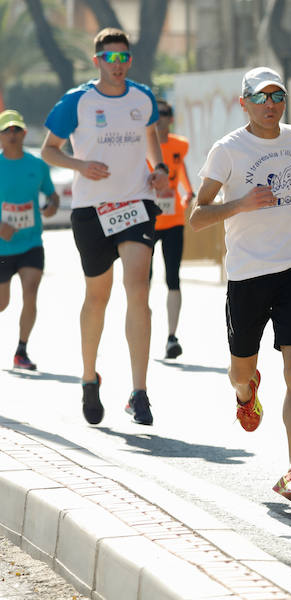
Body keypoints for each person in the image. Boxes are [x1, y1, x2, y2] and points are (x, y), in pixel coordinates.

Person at [190, 67, 291, 508]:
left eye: (277, 96)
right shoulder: (228, 150)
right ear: (244, 103)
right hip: (247, 274)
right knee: (241, 370)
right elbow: (198, 215)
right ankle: (246, 392)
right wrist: (241, 203)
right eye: (261, 98)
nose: (270, 104)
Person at [41, 28, 168, 426]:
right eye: (110, 58)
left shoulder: (142, 97)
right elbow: (48, 149)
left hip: (136, 204)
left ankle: (140, 391)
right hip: (92, 210)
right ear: (97, 61)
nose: (119, 65)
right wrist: (81, 166)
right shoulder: (76, 102)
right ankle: (88, 378)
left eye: (124, 58)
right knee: (98, 296)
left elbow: (151, 138)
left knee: (139, 289)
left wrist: (159, 169)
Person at [0, 109, 59, 371]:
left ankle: (21, 350)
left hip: (31, 242)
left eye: (17, 130)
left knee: (31, 291)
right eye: (7, 131)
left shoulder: (37, 165)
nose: (12, 135)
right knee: (2, 303)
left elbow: (52, 194)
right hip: (2, 247)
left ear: (24, 134)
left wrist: (51, 206)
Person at [147, 99, 193, 359]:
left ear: (170, 118)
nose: (159, 118)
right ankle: (143, 330)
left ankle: (172, 336)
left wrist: (188, 195)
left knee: (173, 278)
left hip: (174, 220)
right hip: (149, 221)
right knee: (144, 280)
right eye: (155, 114)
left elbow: (184, 175)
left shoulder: (179, 145)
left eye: (163, 113)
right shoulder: (144, 146)